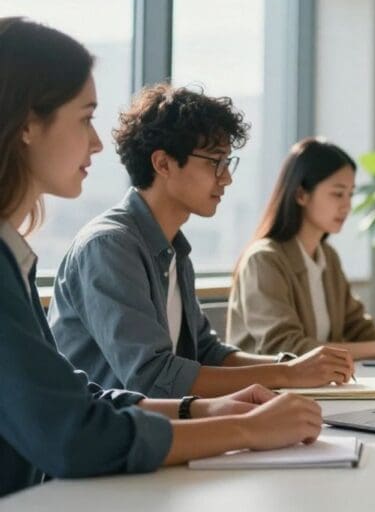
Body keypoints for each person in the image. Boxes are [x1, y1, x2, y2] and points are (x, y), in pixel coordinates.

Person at [0, 17, 323, 497]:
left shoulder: (18, 257)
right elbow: (77, 428)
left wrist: (207, 410)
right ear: (28, 123)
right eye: (86, 117)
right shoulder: (103, 245)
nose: (95, 142)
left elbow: (77, 396)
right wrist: (248, 428)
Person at [47, 84, 355, 399]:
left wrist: (293, 366)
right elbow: (154, 377)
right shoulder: (109, 246)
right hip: (106, 440)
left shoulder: (173, 250)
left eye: (227, 163)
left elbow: (207, 352)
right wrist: (287, 373)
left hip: (157, 429)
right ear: (163, 164)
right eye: (214, 162)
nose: (226, 178)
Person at [227, 137, 375, 359]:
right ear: (301, 195)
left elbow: (358, 328)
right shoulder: (263, 260)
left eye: (350, 194)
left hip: (319, 386)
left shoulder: (327, 256)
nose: (347, 205)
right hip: (269, 391)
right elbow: (286, 348)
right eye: (337, 193)